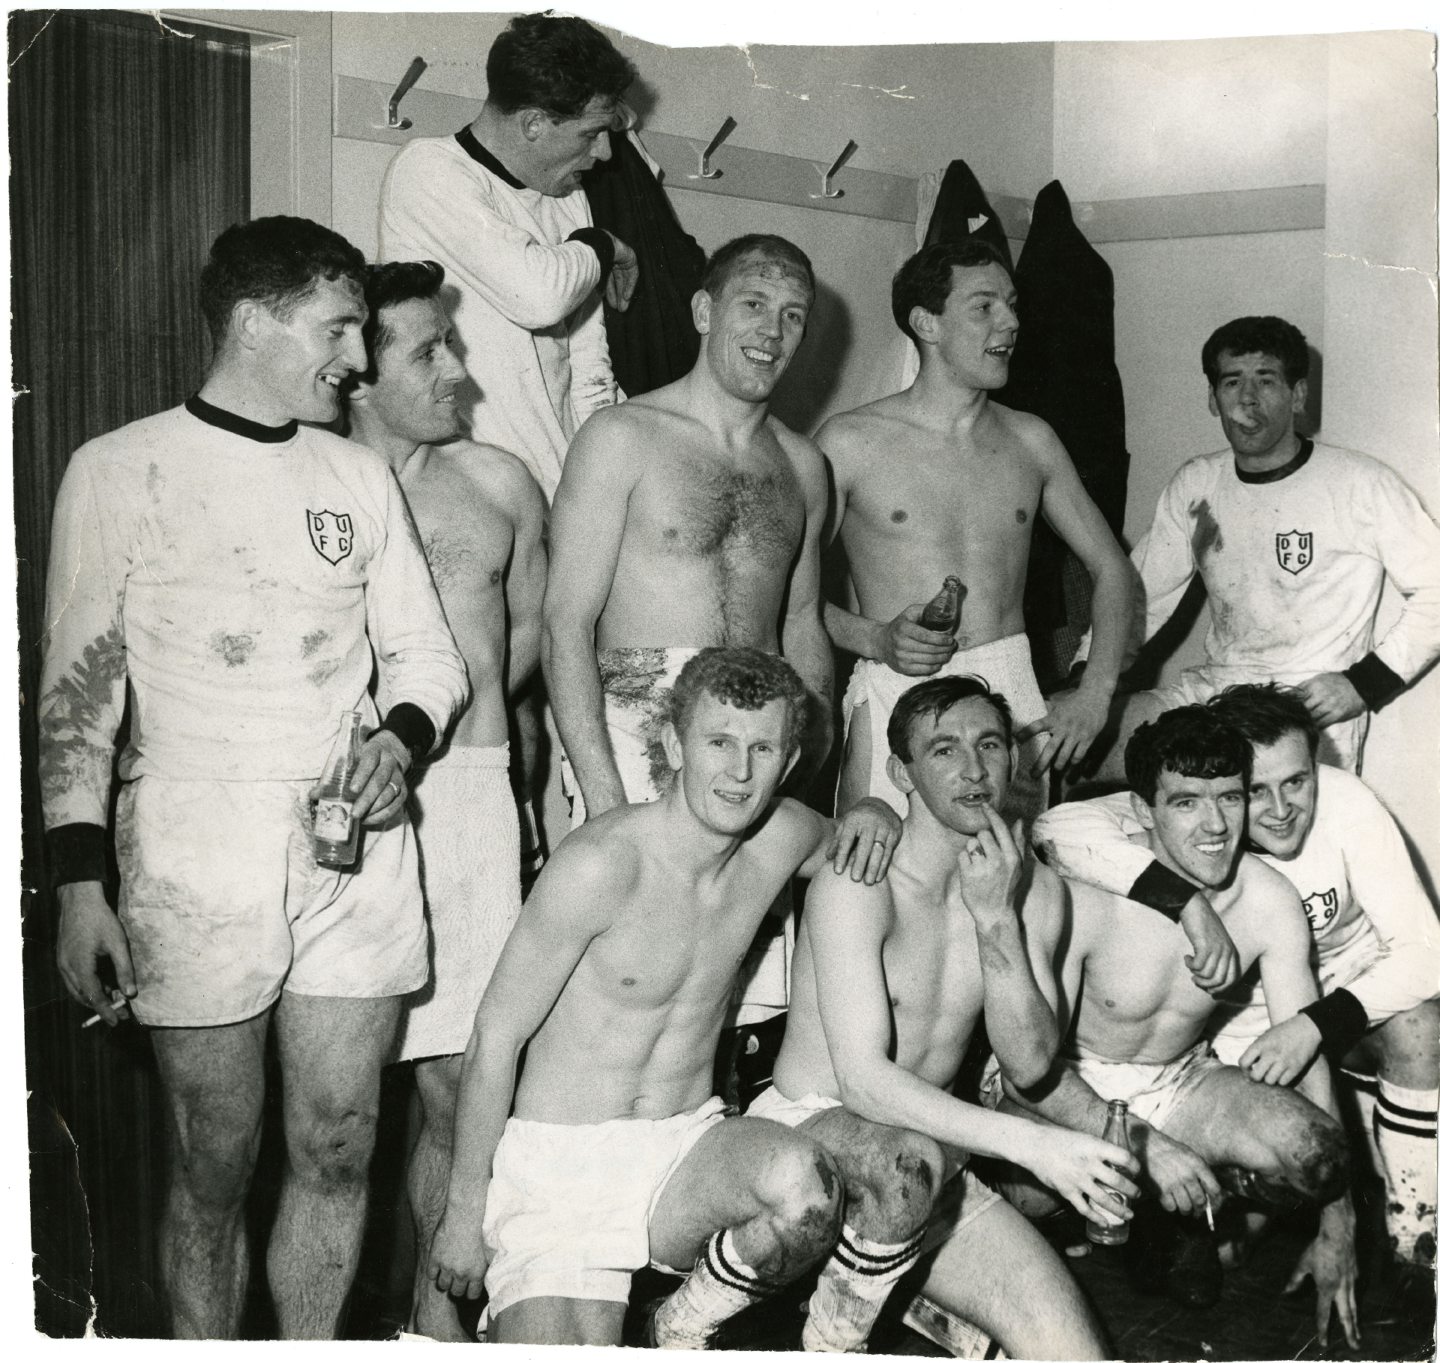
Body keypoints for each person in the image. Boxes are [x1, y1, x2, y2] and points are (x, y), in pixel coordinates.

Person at [39, 217, 469, 1338]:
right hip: (194, 842)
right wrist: (80, 883)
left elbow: (429, 657)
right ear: (255, 321)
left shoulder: (356, 473)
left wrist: (400, 741)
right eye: (338, 329)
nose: (359, 361)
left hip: (355, 847)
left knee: (339, 1141)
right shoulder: (120, 468)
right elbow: (78, 698)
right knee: (216, 1160)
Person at [426, 648, 902, 1345]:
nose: (739, 772)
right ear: (675, 744)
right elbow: (496, 1037)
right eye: (718, 742)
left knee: (806, 1187)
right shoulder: (601, 863)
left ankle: (678, 1327)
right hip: (562, 1167)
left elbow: (854, 839)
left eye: (762, 747)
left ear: (790, 759)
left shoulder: (784, 838)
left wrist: (874, 808)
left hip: (682, 1147)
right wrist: (463, 1212)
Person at [752, 676, 1141, 1358]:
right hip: (811, 1135)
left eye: (989, 743)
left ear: (1013, 760)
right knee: (914, 1163)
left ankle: (909, 1293)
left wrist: (996, 920)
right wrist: (1034, 1146)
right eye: (944, 749)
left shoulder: (1033, 890)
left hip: (926, 1156)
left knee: (1076, 1351)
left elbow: (1029, 1063)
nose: (972, 768)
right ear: (900, 772)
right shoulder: (859, 877)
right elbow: (864, 1083)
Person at [1033, 682, 1440, 1270]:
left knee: (1404, 1051)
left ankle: (1415, 1254)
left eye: (1296, 782)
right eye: (1256, 790)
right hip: (1215, 1041)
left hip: (1311, 1013)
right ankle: (1185, 1216)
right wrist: (1187, 904)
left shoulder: (1337, 812)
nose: (1277, 810)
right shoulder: (1171, 820)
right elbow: (1053, 826)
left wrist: (1314, 1025)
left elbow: (1426, 952)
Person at [542, 233, 833, 1047]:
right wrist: (603, 798)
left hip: (757, 745)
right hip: (639, 726)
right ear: (705, 310)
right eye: (753, 304)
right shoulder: (622, 437)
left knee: (728, 1009)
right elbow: (567, 625)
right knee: (628, 1000)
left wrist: (802, 768)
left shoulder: (804, 468)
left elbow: (804, 627)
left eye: (793, 315)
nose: (772, 331)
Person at [996, 706, 1359, 1347]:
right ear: (1142, 811)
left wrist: (1339, 1221)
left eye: (1229, 798)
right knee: (1032, 1200)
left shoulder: (1267, 898)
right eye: (1186, 803)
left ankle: (1180, 1210)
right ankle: (1156, 1209)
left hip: (1182, 1078)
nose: (1216, 825)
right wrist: (1150, 1147)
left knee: (1319, 1157)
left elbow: (1305, 1051)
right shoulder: (1085, 895)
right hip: (1071, 1085)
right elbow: (1032, 1078)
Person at [344, 259, 548, 1339]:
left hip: (464, 798)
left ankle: (433, 1328)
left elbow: (517, 645)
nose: (458, 369)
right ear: (356, 370)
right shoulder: (318, 486)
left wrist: (459, 755)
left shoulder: (501, 483)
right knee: (333, 1101)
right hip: (340, 820)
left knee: (461, 1082)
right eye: (426, 350)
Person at [819, 238, 1135, 824]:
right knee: (874, 880)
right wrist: (873, 638)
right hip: (898, 683)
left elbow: (1111, 566)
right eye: (984, 306)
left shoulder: (1031, 440)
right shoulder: (850, 441)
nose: (1011, 322)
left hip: (1010, 690)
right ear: (926, 323)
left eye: (1012, 305)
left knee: (1011, 886)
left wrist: (1096, 691)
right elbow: (784, 591)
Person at [1093, 315, 1440, 772]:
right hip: (1214, 693)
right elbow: (1139, 595)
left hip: (1302, 706)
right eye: (1232, 382)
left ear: (1297, 394)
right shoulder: (1199, 482)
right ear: (1214, 399)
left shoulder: (1358, 483)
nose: (1248, 399)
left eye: (1266, 380)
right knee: (1076, 742)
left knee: (1252, 820)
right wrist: (1087, 680)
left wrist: (1362, 684)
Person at [377, 10, 637, 499]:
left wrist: (605, 483)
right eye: (590, 133)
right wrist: (605, 245)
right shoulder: (429, 170)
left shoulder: (566, 194)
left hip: (560, 483)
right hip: (466, 487)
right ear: (534, 124)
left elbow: (587, 363)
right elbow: (538, 296)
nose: (604, 153)